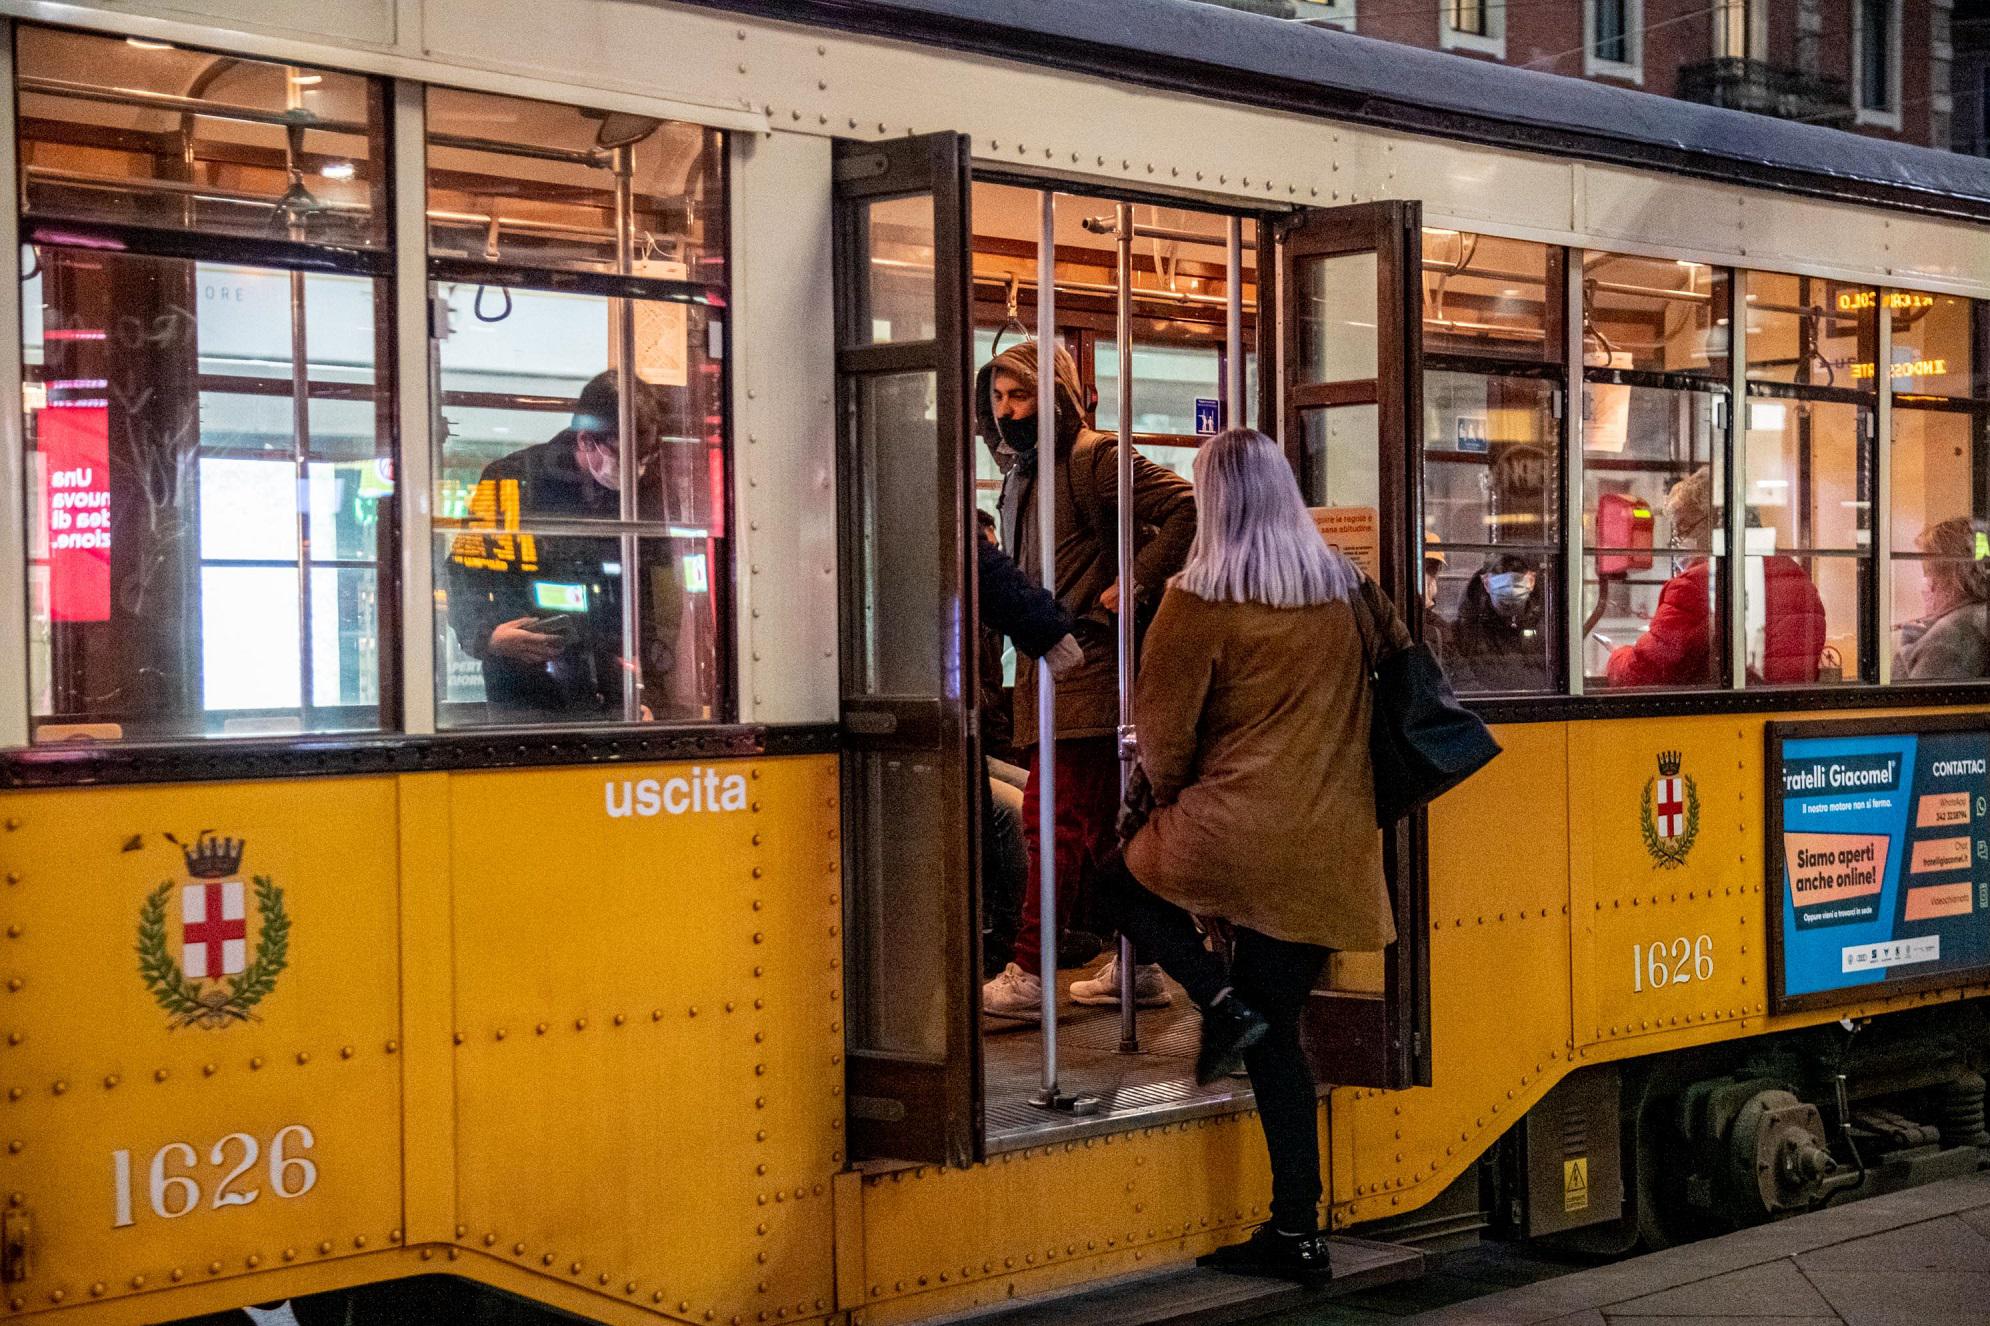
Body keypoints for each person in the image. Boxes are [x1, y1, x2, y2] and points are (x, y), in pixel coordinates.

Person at [1096, 426, 1407, 1285]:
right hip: (1333, 850)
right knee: (1283, 1044)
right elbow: (1408, 670)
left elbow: (1162, 747)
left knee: (1112, 887)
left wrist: (1175, 806)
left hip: (1231, 838)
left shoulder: (1194, 603)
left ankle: (1216, 1000)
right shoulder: (1347, 588)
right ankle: (1298, 1232)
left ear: (1216, 502)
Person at [974, 341, 1197, 1020]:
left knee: (1052, 824)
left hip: (1088, 668)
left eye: (1022, 396)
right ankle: (1146, 962)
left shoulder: (1092, 458)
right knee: (1103, 836)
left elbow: (1189, 504)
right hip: (1051, 668)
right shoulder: (1024, 473)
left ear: (1054, 394)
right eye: (1000, 399)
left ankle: (1031, 969)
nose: (1009, 411)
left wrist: (1134, 580)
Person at [446, 370, 682, 722]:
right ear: (586, 441)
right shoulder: (511, 479)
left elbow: (665, 585)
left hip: (625, 686)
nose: (639, 473)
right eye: (626, 459)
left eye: (646, 460)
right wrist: (487, 636)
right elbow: (464, 572)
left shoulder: (651, 489)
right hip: (529, 691)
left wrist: (655, 690)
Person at [974, 508, 1083, 976]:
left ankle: (1041, 931)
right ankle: (1007, 941)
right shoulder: (980, 612)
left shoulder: (984, 624)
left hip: (984, 747)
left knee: (1034, 796)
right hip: (973, 748)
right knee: (1017, 812)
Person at [1605, 467, 1826, 688]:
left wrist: (1617, 656)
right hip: (1789, 711)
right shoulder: (1796, 575)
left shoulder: (1694, 585)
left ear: (1710, 524)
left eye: (1682, 529)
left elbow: (1641, 673)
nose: (1678, 542)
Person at [1894, 517, 1990, 680]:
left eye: (1928, 572)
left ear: (1950, 575)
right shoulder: (1977, 616)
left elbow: (1917, 700)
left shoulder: (1952, 636)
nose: (1927, 585)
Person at [1446, 553, 1546, 693]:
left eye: (1516, 582)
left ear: (1532, 582)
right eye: (1502, 584)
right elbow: (1460, 686)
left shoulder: (1550, 630)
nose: (1510, 591)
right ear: (1486, 583)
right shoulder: (1462, 632)